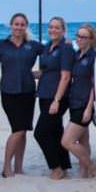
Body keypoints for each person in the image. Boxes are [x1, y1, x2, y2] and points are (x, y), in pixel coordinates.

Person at [0, 13, 43, 178]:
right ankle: (6, 167)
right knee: (18, 129)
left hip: (28, 92)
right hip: (9, 92)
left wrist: (38, 74)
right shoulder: (1, 45)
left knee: (23, 131)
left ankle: (18, 167)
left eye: (22, 24)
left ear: (26, 27)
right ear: (11, 25)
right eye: (16, 24)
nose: (19, 27)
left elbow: (51, 56)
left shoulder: (33, 45)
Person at [33, 17, 74, 180]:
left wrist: (56, 100)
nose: (53, 30)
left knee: (41, 133)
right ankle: (64, 166)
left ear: (63, 30)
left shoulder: (66, 48)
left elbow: (65, 77)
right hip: (44, 94)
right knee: (56, 131)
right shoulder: (47, 47)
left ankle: (55, 167)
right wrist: (31, 75)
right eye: (51, 27)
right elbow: (46, 71)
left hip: (57, 97)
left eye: (57, 28)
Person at [61, 24, 96, 178]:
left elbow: (94, 84)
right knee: (84, 139)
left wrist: (89, 107)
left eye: (83, 37)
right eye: (78, 36)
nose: (79, 39)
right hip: (74, 101)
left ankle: (91, 166)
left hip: (85, 104)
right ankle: (83, 172)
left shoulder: (93, 57)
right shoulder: (76, 55)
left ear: (91, 39)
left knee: (67, 141)